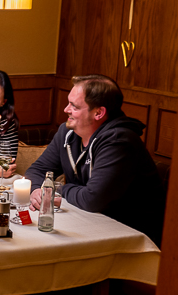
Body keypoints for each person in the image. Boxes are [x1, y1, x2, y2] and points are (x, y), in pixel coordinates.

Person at [27, 74, 165, 243]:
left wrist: (58, 189)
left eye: (74, 106)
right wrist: (37, 190)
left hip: (132, 234)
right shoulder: (67, 132)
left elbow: (92, 199)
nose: (66, 110)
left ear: (98, 113)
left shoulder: (119, 141)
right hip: (88, 221)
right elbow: (37, 170)